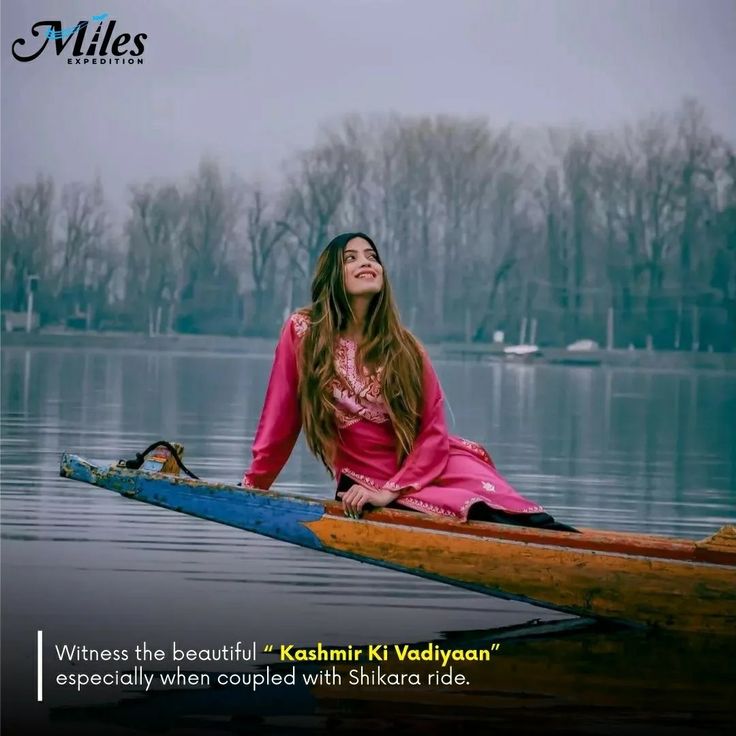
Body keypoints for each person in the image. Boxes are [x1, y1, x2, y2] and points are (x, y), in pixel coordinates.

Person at [242, 232, 575, 531]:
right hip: (365, 482)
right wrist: (252, 489)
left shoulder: (404, 347)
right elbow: (280, 420)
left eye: (372, 256)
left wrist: (392, 490)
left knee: (529, 520)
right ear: (332, 275)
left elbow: (432, 428)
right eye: (351, 257)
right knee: (487, 521)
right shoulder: (305, 332)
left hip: (429, 466)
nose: (366, 262)